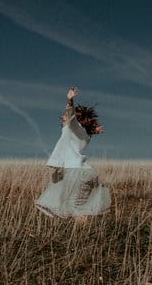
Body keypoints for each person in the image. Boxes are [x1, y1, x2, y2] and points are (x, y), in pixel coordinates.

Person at [34, 87, 111, 219]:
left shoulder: (71, 127)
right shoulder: (85, 134)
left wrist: (70, 101)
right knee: (74, 207)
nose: (63, 116)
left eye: (65, 116)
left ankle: (84, 231)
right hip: (85, 172)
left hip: (76, 172)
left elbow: (71, 113)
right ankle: (83, 227)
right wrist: (94, 130)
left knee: (73, 208)